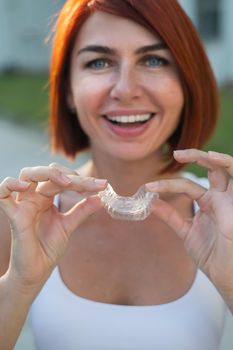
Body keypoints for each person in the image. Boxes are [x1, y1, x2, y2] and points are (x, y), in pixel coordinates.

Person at [0, 0, 232, 349]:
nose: (126, 89)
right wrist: (20, 285)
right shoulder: (18, 221)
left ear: (186, 82)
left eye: (154, 60)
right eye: (99, 62)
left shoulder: (225, 220)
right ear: (68, 90)